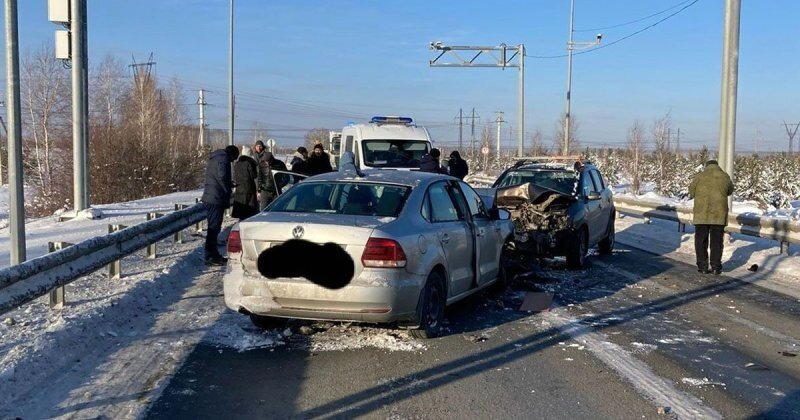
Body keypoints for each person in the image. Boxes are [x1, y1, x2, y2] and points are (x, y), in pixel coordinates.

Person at [688, 159, 734, 275]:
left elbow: (691, 192)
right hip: (718, 214)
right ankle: (715, 266)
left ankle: (702, 266)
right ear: (717, 166)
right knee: (717, 241)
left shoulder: (699, 176)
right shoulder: (724, 176)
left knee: (701, 240)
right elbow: (729, 191)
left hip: (701, 213)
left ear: (706, 166)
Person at [201, 145, 239, 265]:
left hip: (211, 196)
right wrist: (227, 187)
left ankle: (213, 254)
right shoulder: (224, 159)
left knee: (214, 228)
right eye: (233, 159)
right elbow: (222, 176)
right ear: (232, 155)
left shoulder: (216, 157)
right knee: (214, 228)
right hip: (215, 198)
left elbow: (217, 177)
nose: (232, 162)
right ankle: (210, 256)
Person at [231, 145, 259, 220]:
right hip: (249, 188)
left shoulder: (237, 163)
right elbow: (254, 175)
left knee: (241, 209)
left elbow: (234, 176)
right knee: (249, 210)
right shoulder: (250, 163)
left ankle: (241, 222)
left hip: (239, 188)